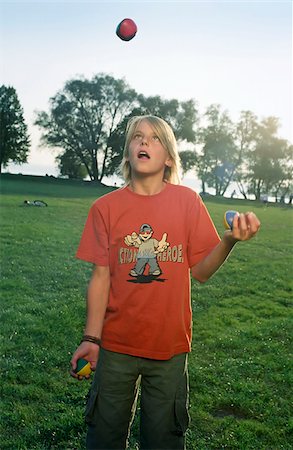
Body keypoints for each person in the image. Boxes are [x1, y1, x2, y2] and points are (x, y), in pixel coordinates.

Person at [70, 115, 260, 450]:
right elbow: (100, 278)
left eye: (155, 138)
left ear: (169, 157)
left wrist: (228, 240)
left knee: (163, 440)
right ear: (128, 152)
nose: (144, 142)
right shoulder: (105, 208)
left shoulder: (187, 201)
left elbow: (200, 271)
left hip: (169, 347)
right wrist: (91, 338)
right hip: (115, 347)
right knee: (103, 436)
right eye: (137, 137)